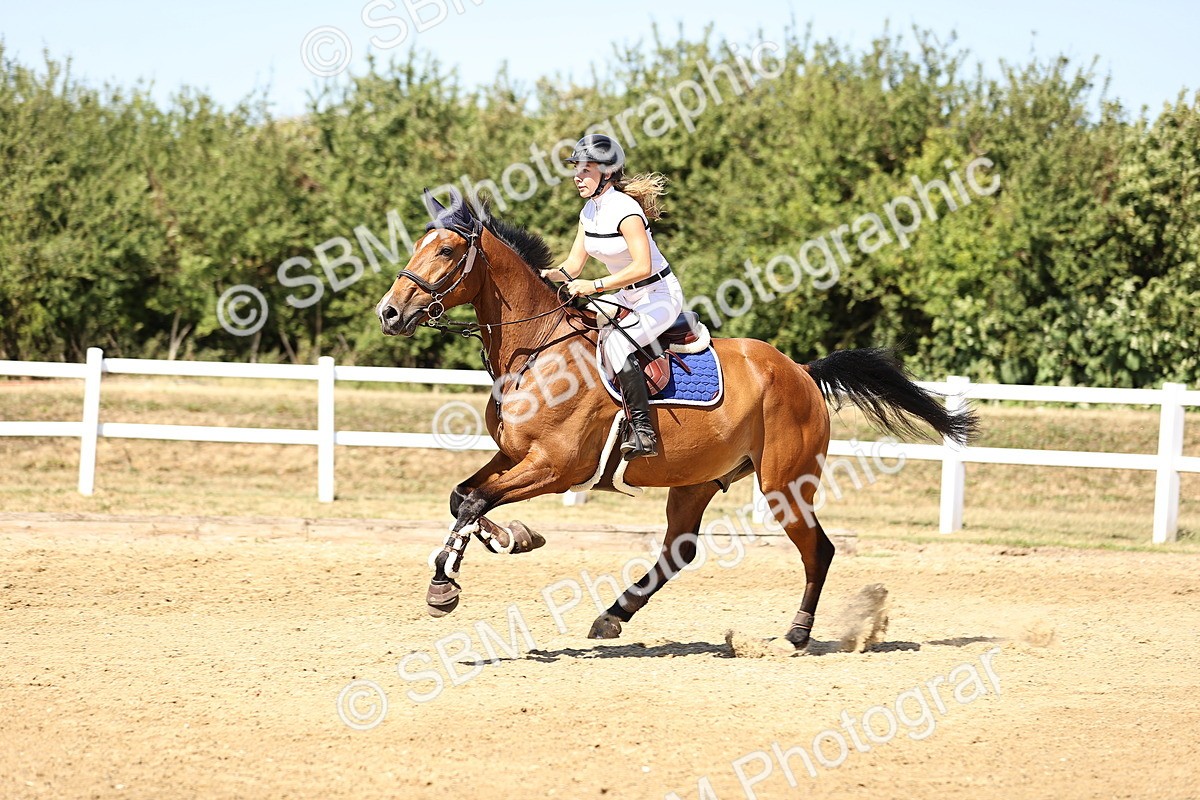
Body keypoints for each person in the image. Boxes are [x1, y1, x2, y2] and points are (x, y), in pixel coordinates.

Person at [540, 134, 684, 461]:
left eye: (586, 169)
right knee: (583, 332)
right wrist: (545, 275)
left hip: (659, 294)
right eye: (576, 168)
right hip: (626, 294)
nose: (578, 176)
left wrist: (596, 286)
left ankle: (643, 432)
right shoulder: (588, 212)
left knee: (618, 344)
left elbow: (643, 266)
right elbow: (573, 267)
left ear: (607, 173)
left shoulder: (627, 210)